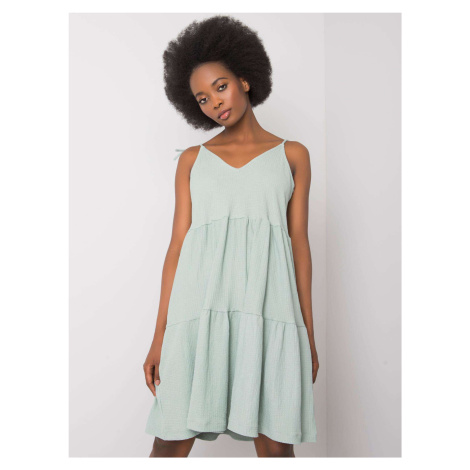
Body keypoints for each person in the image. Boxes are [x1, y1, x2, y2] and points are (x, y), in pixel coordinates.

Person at [143, 15, 319, 458]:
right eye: (202, 98)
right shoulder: (192, 160)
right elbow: (177, 248)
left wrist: (306, 332)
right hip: (198, 312)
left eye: (220, 87)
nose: (214, 103)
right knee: (169, 442)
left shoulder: (292, 155)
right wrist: (160, 335)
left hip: (268, 310)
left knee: (276, 447)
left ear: (244, 79)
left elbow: (298, 244)